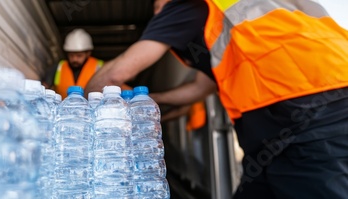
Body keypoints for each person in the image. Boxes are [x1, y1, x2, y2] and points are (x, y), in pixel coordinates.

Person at [85, 0, 348, 198]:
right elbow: (200, 88)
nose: (157, 14)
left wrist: (84, 112)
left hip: (312, 113)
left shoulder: (185, 5)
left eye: (156, 5)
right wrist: (150, 99)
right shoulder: (234, 20)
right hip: (285, 124)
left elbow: (117, 73)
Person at [44, 28, 104, 99]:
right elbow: (44, 88)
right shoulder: (58, 67)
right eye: (71, 55)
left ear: (88, 53)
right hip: (63, 108)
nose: (74, 59)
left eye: (79, 56)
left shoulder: (100, 67)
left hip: (91, 109)